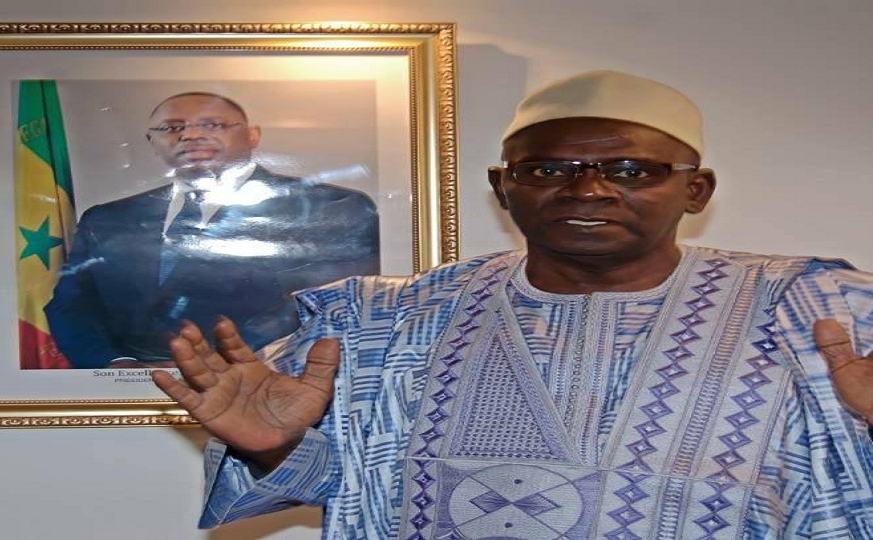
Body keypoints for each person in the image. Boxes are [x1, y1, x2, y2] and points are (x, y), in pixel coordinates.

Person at [152, 72, 873, 537]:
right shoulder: (381, 325)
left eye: (631, 170)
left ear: (695, 189)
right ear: (504, 189)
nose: (588, 190)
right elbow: (344, 488)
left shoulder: (818, 312)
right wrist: (274, 444)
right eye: (548, 169)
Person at [45, 92, 380, 369]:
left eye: (212, 125)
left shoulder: (330, 207)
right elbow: (70, 305)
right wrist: (115, 363)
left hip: (267, 381)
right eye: (172, 127)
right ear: (152, 141)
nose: (190, 136)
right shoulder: (107, 218)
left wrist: (219, 363)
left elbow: (331, 302)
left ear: (253, 135)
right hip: (132, 385)